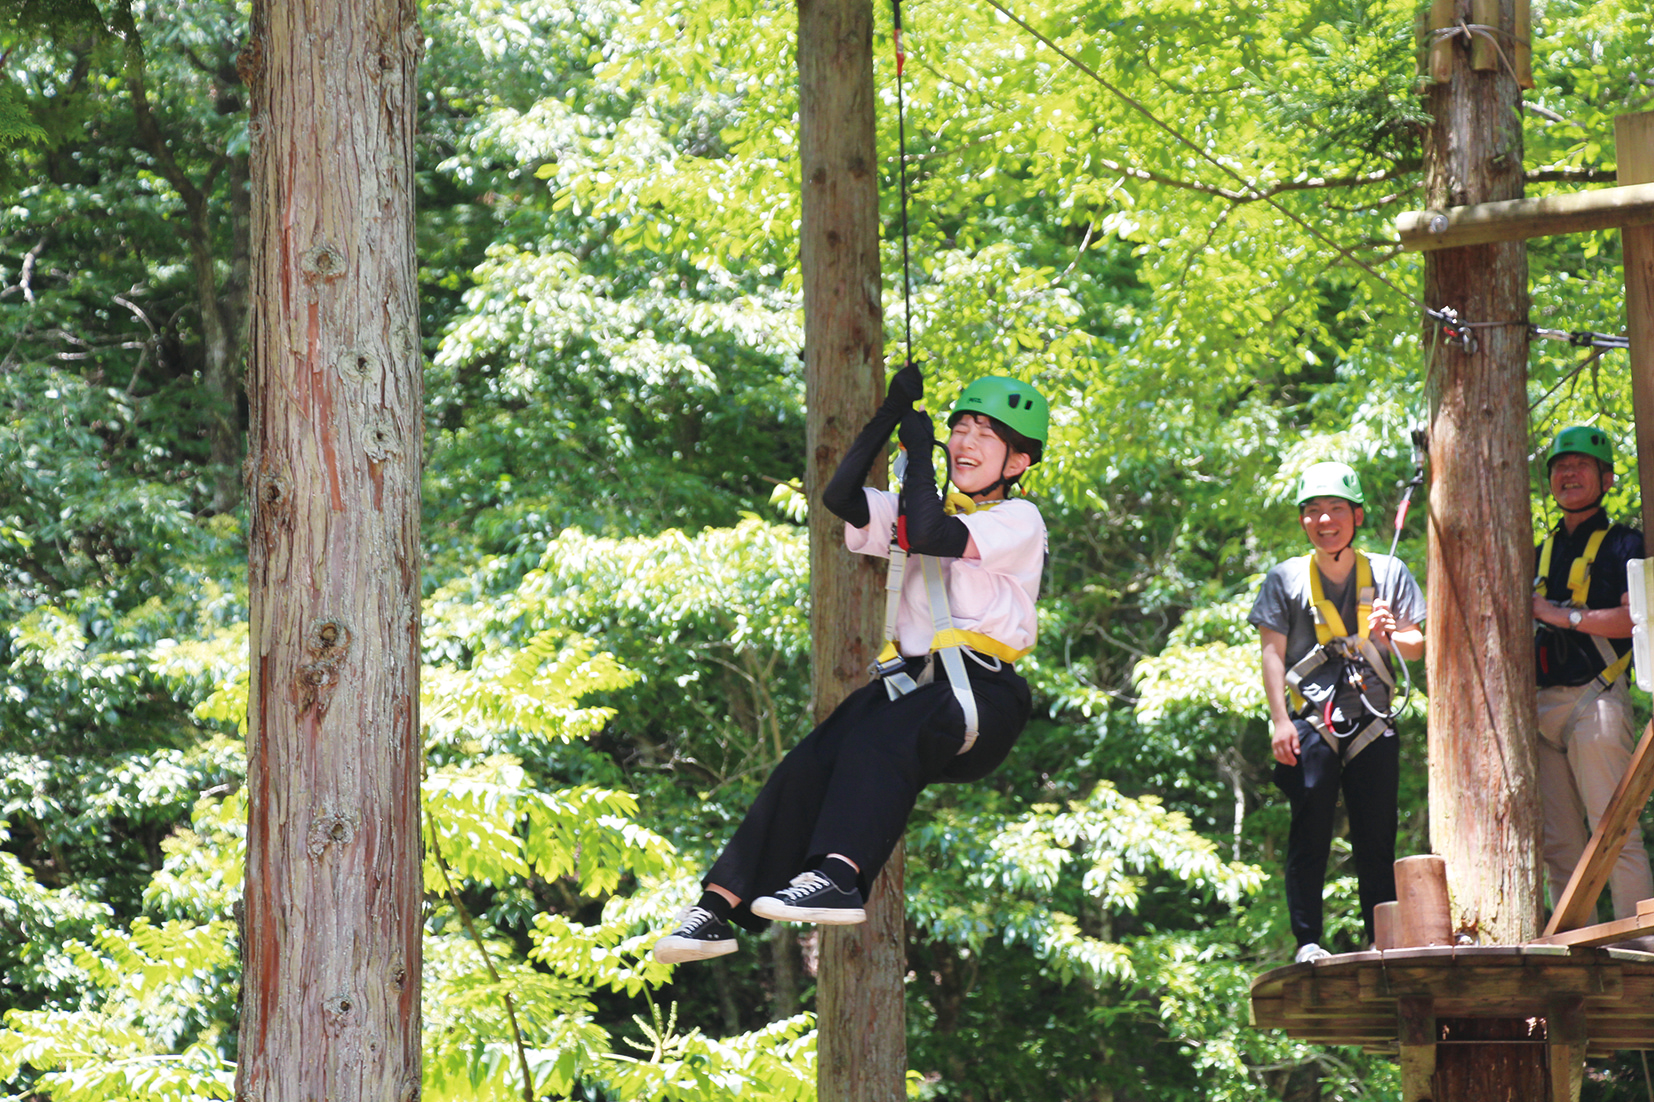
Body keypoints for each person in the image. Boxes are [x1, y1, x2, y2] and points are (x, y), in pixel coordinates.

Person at [653, 368, 1049, 963]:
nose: (964, 442)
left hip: (981, 697)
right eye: (960, 428)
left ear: (1016, 463)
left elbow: (936, 533)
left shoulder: (1017, 522)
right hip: (919, 688)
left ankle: (838, 875)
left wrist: (919, 455)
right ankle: (717, 908)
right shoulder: (926, 506)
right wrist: (889, 415)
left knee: (878, 743)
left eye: (985, 436)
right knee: (811, 761)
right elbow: (840, 497)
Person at [1249, 461, 1426, 963]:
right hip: (1312, 720)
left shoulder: (1389, 573)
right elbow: (1272, 652)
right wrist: (1280, 721)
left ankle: (1381, 939)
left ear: (1357, 515)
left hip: (1373, 719)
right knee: (1310, 832)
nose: (1325, 521)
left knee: (1377, 834)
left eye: (1335, 510)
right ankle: (1307, 940)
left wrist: (1393, 633)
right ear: (1303, 521)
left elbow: (1416, 647)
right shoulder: (1286, 579)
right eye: (1313, 512)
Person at [1532, 425, 1654, 921]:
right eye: (1561, 466)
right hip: (1540, 708)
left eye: (1582, 465)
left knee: (1614, 831)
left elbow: (1636, 616)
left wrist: (1560, 615)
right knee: (1559, 844)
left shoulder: (1626, 543)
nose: (1569, 473)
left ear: (1606, 479)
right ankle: (1568, 947)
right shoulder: (1541, 549)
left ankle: (1640, 944)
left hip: (1596, 698)